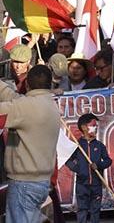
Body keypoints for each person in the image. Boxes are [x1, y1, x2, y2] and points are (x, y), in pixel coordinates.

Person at [0, 65, 61, 221]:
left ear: (27, 84)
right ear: (50, 84)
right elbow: (15, 99)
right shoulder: (49, 104)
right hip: (41, 182)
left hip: (24, 184)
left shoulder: (25, 107)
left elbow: (13, 107)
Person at [65, 113, 112, 223]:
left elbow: (108, 161)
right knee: (82, 210)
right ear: (84, 127)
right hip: (82, 185)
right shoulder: (77, 145)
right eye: (93, 125)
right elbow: (68, 160)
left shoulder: (99, 146)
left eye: (96, 126)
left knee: (95, 211)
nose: (96, 128)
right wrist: (78, 168)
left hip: (96, 185)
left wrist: (99, 165)